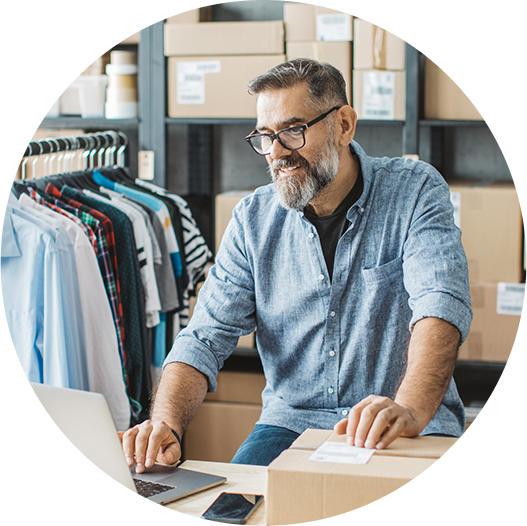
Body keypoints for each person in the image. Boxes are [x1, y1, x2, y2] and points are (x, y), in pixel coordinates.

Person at [121, 58, 472, 471]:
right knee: (232, 511)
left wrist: (411, 408)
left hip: (402, 422)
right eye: (265, 137)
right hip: (291, 426)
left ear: (344, 125)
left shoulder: (414, 191)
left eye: (292, 131)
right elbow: (204, 337)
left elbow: (440, 306)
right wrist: (165, 423)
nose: (277, 153)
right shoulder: (253, 219)